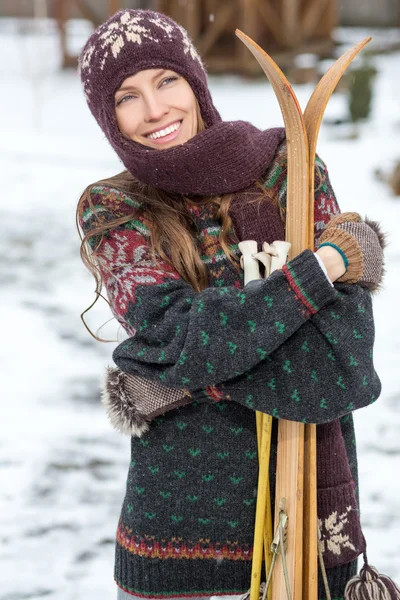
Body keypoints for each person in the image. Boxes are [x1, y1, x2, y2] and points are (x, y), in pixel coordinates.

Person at [77, 9, 385, 600]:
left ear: (194, 80)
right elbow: (182, 335)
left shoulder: (292, 168)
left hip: (308, 523)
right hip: (178, 535)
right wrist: (322, 267)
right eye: (126, 97)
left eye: (166, 80)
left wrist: (177, 379)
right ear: (106, 116)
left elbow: (344, 366)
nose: (155, 110)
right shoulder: (113, 210)